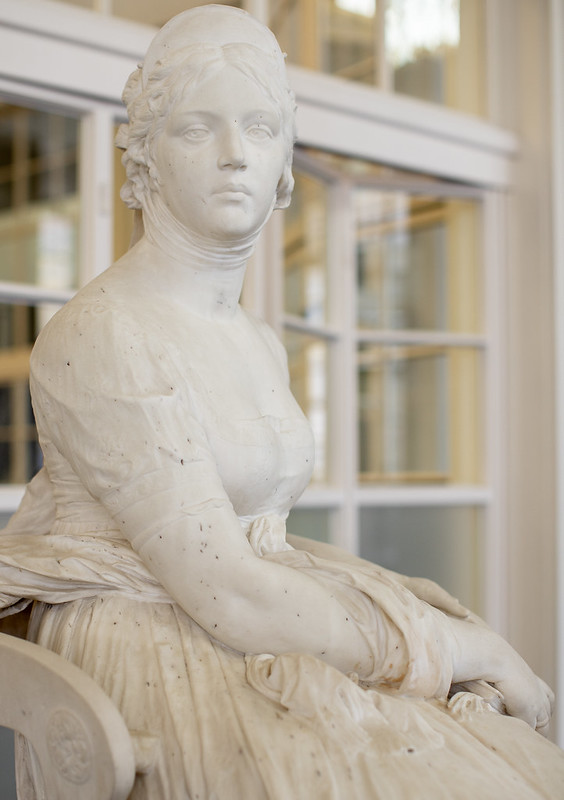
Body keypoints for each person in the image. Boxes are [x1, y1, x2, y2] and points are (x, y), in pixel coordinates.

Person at [1, 6, 563, 798]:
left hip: (257, 626)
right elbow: (225, 586)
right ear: (145, 157)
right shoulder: (104, 333)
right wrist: (456, 648)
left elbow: (264, 546)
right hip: (168, 653)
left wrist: (413, 611)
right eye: (197, 128)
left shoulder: (258, 339)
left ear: (285, 162)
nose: (235, 154)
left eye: (259, 127)